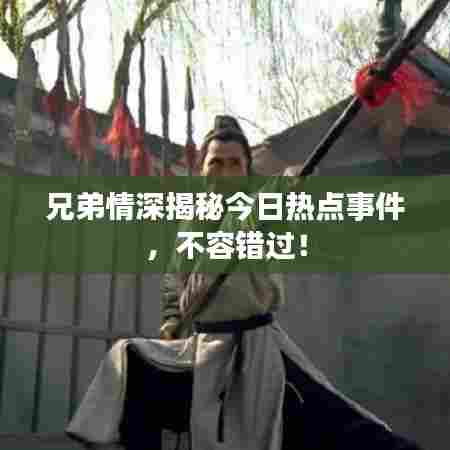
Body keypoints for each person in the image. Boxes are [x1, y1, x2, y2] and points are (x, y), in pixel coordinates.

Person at [66, 115, 423, 450]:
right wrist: (172, 319)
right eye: (216, 162)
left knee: (339, 423)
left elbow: (269, 207)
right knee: (131, 362)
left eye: (234, 163)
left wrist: (289, 184)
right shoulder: (191, 223)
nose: (224, 172)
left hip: (257, 349)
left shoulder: (256, 209)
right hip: (203, 348)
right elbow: (175, 278)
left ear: (246, 172)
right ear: (202, 169)